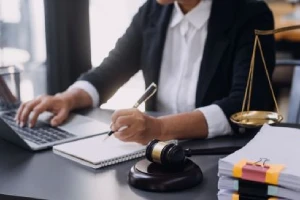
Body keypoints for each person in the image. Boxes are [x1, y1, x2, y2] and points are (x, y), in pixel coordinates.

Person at [15, 0, 275, 145]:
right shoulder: (153, 11)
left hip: (217, 153)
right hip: (156, 155)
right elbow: (109, 72)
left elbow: (247, 105)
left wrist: (159, 127)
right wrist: (67, 99)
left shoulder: (250, 14)